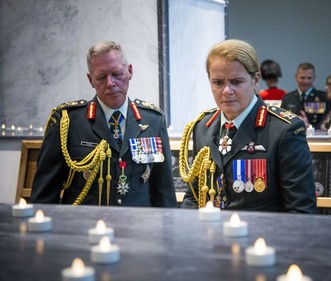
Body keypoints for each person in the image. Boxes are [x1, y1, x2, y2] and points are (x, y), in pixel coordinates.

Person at [30, 41, 177, 207]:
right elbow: (44, 196)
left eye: (117, 74)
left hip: (138, 228)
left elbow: (164, 193)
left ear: (129, 71)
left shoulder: (153, 120)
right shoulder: (67, 122)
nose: (110, 83)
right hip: (83, 228)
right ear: (90, 79)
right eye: (101, 77)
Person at [179, 39, 316, 213]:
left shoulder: (283, 130)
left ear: (255, 79)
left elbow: (301, 211)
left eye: (236, 82)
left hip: (261, 237)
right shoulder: (203, 126)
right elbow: (194, 196)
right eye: (218, 82)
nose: (227, 91)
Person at [281, 63, 331, 128]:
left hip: (315, 136)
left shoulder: (324, 98)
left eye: (309, 78)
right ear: (296, 77)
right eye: (302, 77)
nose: (305, 81)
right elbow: (281, 124)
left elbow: (326, 125)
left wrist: (309, 126)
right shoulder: (287, 98)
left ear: (314, 78)